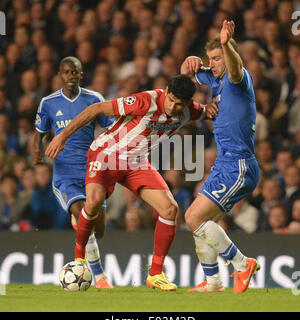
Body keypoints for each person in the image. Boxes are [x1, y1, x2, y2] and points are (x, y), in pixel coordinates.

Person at [45, 74, 218, 291]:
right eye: (171, 99)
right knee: (94, 202)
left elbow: (206, 110)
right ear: (166, 90)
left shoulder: (189, 110)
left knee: (170, 209)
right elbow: (95, 109)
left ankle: (155, 274)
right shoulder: (145, 101)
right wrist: (62, 137)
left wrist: (212, 107)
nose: (173, 107)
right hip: (106, 155)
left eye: (179, 104)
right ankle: (79, 259)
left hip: (136, 164)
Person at [181, 20, 261, 293]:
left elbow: (235, 67)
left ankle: (242, 264)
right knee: (198, 218)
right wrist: (189, 63)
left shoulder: (239, 80)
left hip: (238, 164)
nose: (213, 63)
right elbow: (187, 76)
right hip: (224, 163)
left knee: (194, 218)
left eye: (217, 58)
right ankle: (213, 280)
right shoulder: (215, 78)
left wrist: (226, 44)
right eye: (210, 59)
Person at [32, 56, 114, 289]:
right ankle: (100, 277)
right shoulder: (48, 103)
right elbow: (39, 132)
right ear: (60, 75)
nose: (70, 77)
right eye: (66, 72)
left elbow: (111, 127)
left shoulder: (94, 99)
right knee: (84, 216)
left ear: (81, 74)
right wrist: (36, 153)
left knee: (99, 229)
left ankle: (79, 220)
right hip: (64, 175)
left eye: (74, 72)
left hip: (92, 172)